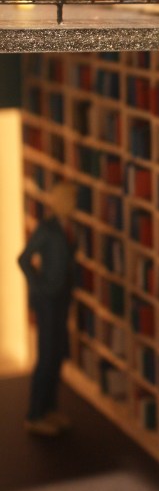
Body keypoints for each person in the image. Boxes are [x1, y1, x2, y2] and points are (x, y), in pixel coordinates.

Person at [18, 181, 77, 436]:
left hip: (62, 298)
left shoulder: (68, 227)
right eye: (70, 199)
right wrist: (41, 286)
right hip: (48, 301)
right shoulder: (46, 228)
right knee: (45, 357)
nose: (74, 204)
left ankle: (49, 408)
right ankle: (34, 414)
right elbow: (23, 259)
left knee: (56, 354)